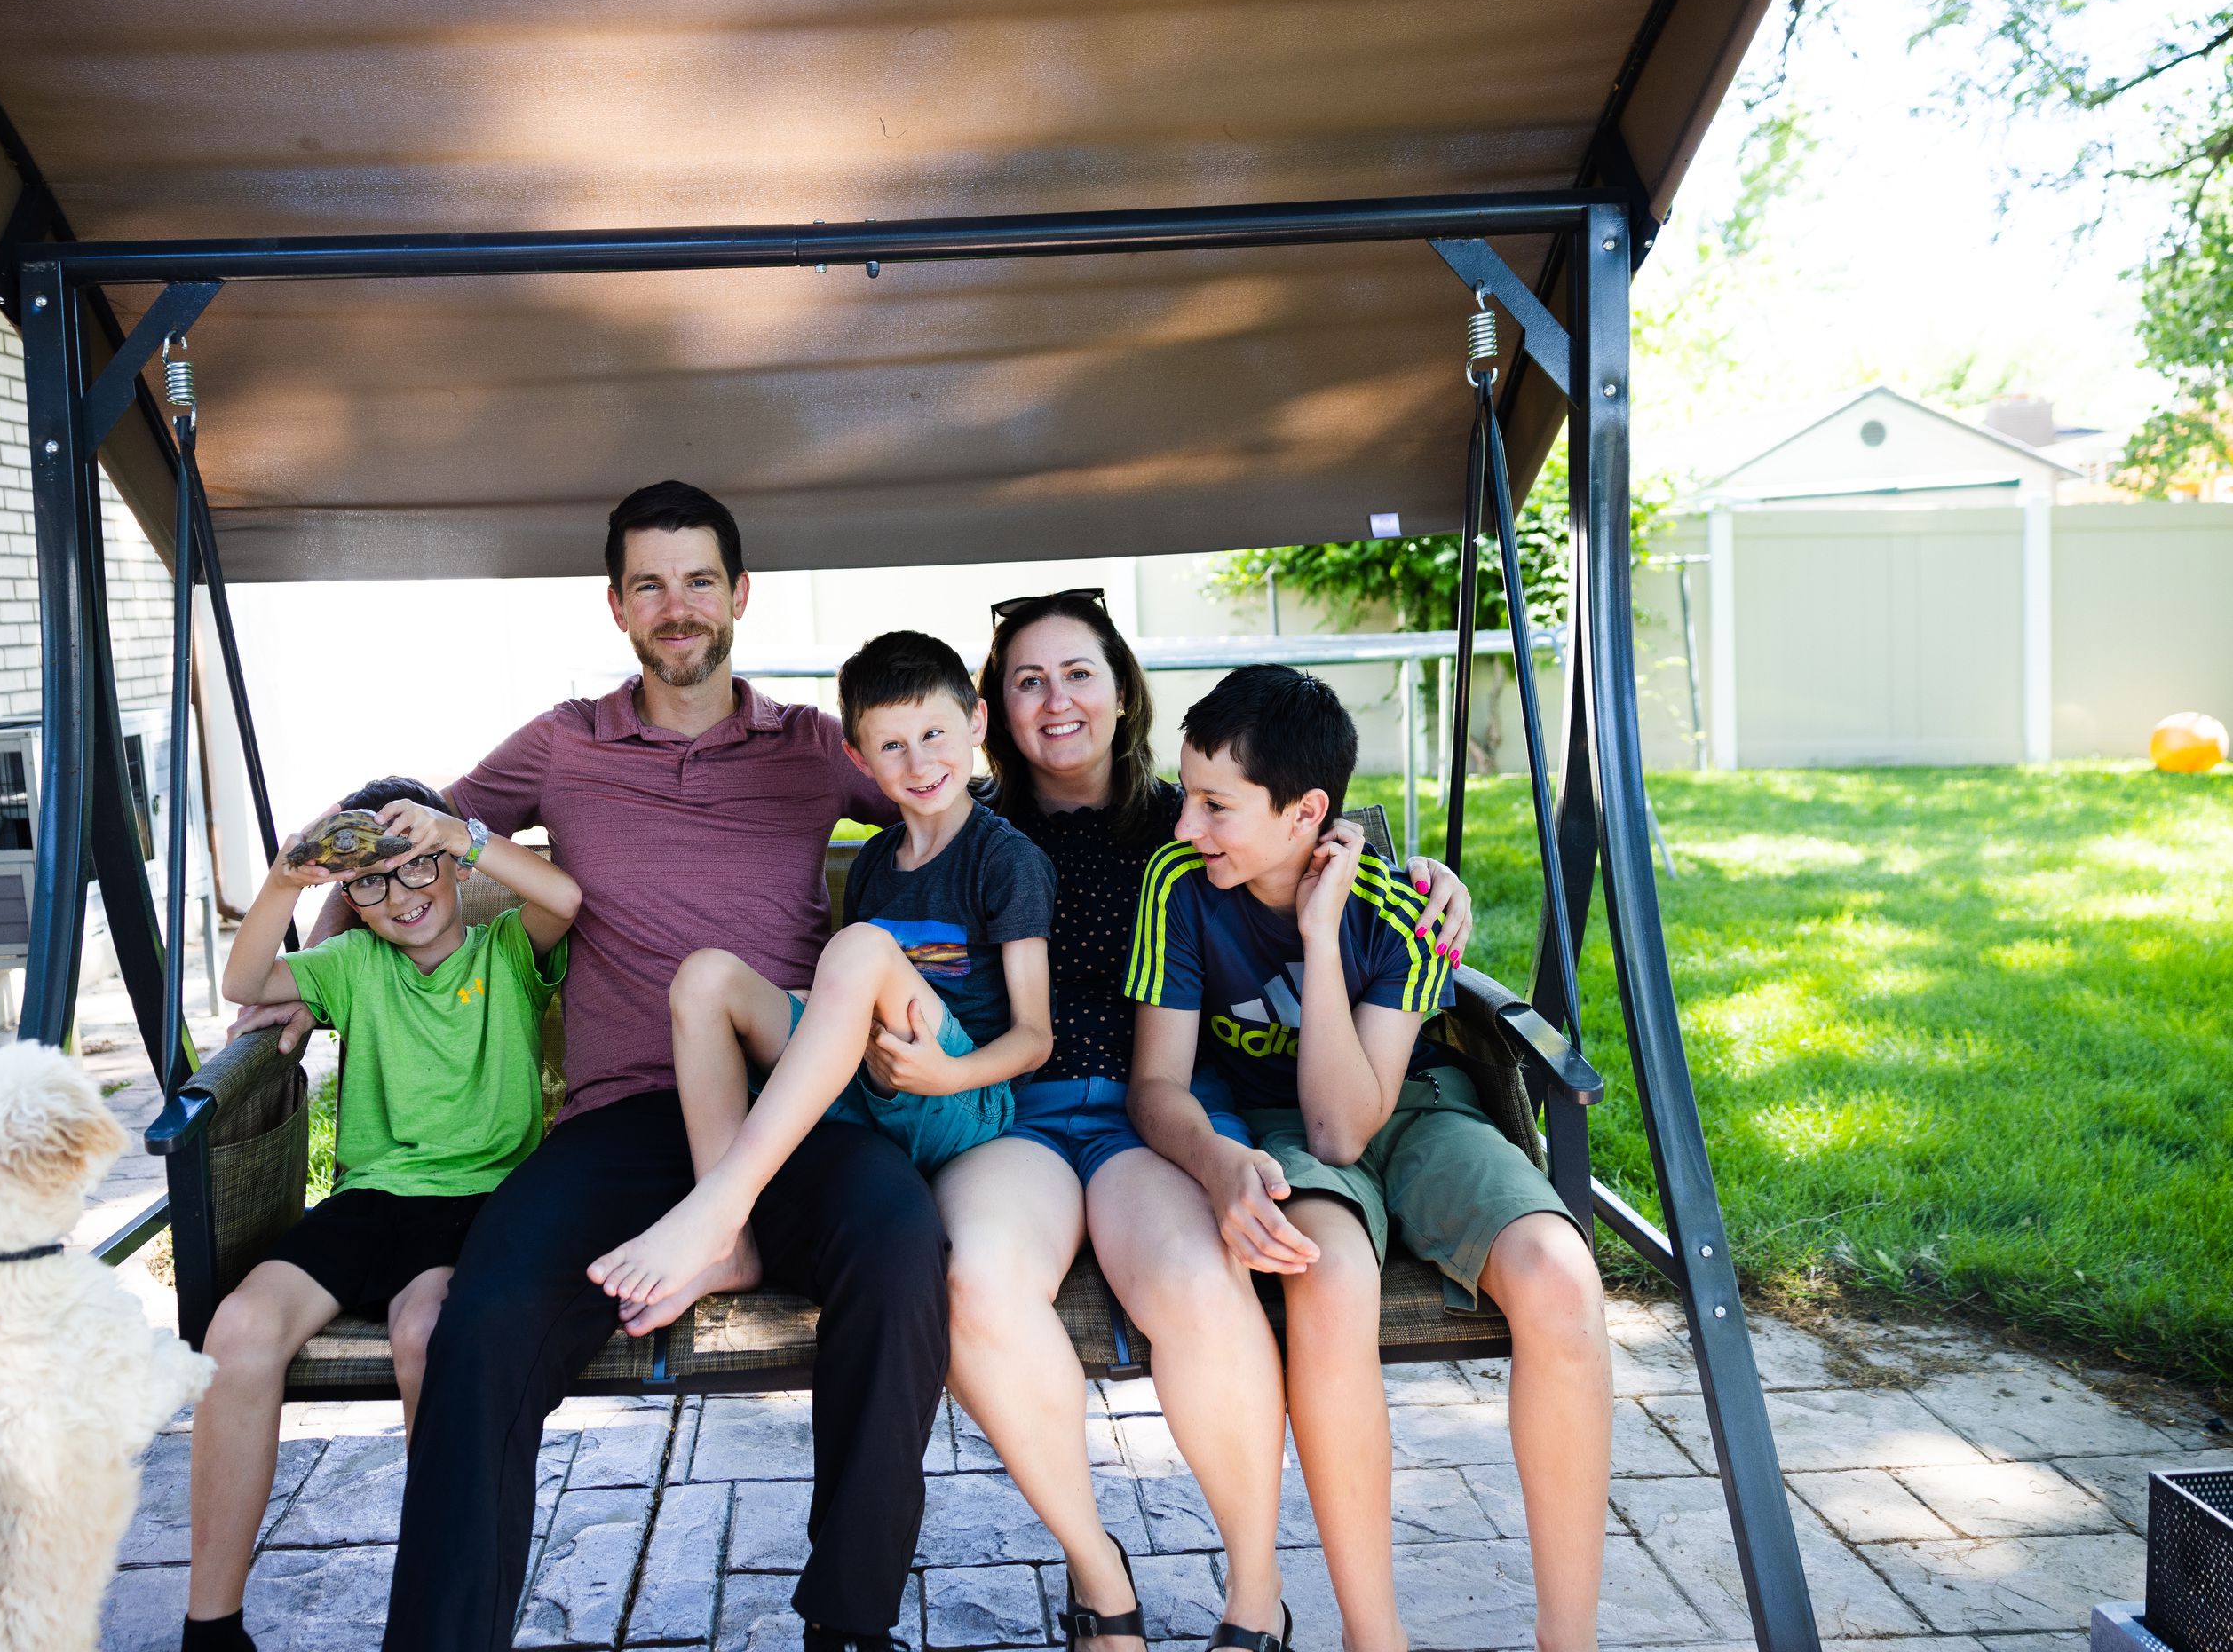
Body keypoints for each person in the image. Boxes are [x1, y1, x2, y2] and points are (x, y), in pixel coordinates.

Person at [240, 481, 939, 1652]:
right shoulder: (565, 742)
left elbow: (944, 806)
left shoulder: (813, 747)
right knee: (488, 1313)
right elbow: (404, 833)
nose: (679, 608)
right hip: (619, 1122)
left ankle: (850, 1628)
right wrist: (310, 989)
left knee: (901, 1241)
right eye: (652, 584)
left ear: (741, 595)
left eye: (701, 581)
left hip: (786, 1110)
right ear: (616, 606)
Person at [931, 591, 1477, 1652]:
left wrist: (1421, 873)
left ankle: (1254, 1590)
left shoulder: (1181, 819)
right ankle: (1102, 1576)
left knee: (1196, 1278)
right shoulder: (965, 824)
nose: (1056, 701)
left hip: (1155, 1121)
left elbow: (1310, 835)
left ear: (1123, 689)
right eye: (1027, 679)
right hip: (1017, 1119)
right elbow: (866, 770)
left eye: (1079, 672)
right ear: (993, 704)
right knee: (976, 1280)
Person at [1128, 666, 1611, 1652]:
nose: (1188, 826)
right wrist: (1221, 1160)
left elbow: (1360, 1120)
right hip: (1275, 1124)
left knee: (1563, 1285)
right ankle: (1373, 1634)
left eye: (1217, 805)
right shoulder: (1179, 886)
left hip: (1416, 1106)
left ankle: (1572, 1639)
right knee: (1329, 1273)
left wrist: (1321, 934)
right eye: (1188, 796)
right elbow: (1163, 1088)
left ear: (1308, 812)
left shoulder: (1396, 907)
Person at [186, 777, 579, 1652]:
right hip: (368, 1200)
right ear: (349, 895)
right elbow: (244, 976)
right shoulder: (354, 967)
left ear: (450, 862)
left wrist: (461, 831)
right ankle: (209, 1626)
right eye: (371, 882)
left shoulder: (506, 950)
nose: (401, 898)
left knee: (426, 1332)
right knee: (239, 1329)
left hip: (478, 1204)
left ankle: (439, 1607)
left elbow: (564, 894)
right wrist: (291, 876)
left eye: (419, 869)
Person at [590, 629, 1055, 1333]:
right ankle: (732, 1250)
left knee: (859, 947)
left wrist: (946, 1076)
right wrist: (793, 1012)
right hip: (871, 1086)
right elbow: (851, 1001)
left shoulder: (1005, 859)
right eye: (892, 746)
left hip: (964, 1100)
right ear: (858, 758)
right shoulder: (873, 865)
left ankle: (719, 1204)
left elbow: (1034, 1037)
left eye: (935, 733)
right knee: (705, 978)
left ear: (977, 723)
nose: (920, 761)